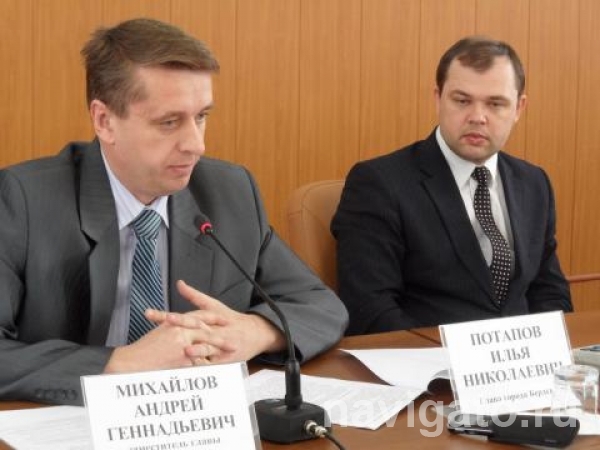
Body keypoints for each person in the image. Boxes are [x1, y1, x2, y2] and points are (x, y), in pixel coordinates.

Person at [0, 18, 348, 405]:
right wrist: (120, 362)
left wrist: (255, 331)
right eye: (169, 122)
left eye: (201, 117)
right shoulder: (24, 201)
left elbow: (320, 305)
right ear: (104, 121)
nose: (196, 145)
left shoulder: (228, 191)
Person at [331, 36, 572, 335]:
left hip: (522, 360)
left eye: (495, 104)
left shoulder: (534, 183)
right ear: (438, 98)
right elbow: (370, 310)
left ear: (519, 108)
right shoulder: (379, 183)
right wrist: (453, 358)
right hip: (427, 360)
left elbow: (549, 292)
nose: (477, 117)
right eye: (462, 101)